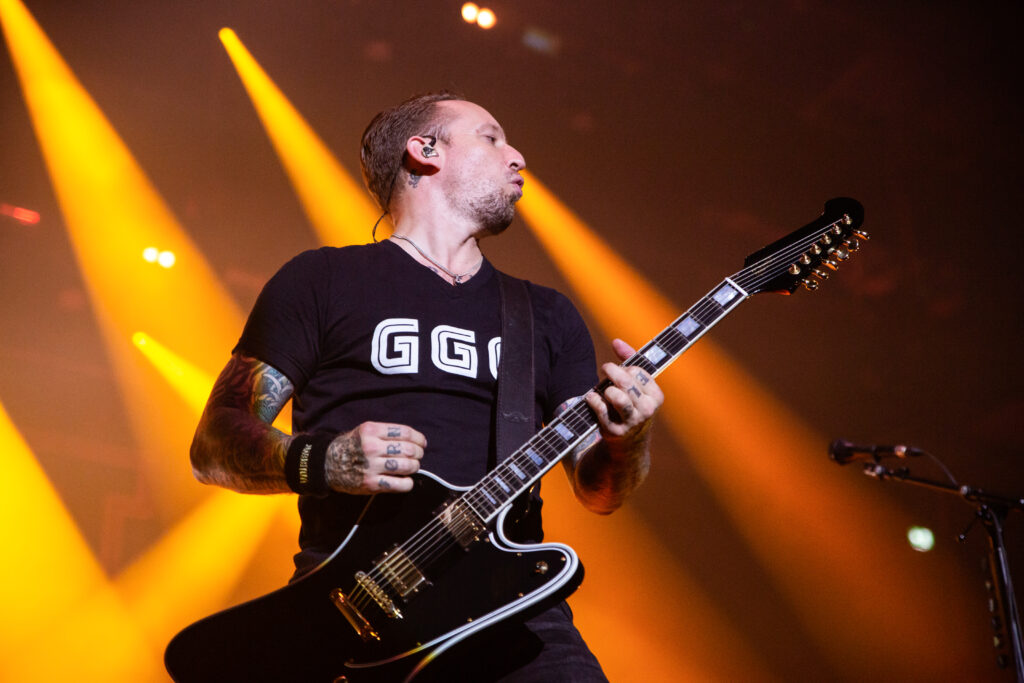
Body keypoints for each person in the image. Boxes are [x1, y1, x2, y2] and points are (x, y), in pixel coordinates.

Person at [189, 91, 664, 681]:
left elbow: (599, 491)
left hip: (512, 616)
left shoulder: (547, 314)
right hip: (352, 612)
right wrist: (326, 459)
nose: (517, 155)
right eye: (492, 137)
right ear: (425, 150)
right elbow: (214, 444)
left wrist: (630, 437)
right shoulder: (322, 280)